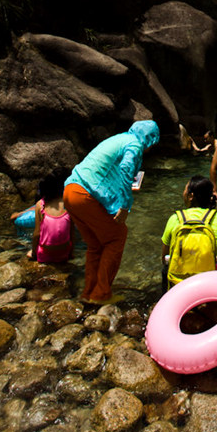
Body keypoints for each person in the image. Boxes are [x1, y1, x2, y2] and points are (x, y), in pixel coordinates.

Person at [64, 119, 160, 305]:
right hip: (84, 195)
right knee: (117, 236)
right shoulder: (135, 144)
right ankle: (101, 294)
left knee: (96, 245)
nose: (150, 149)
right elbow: (125, 168)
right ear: (149, 138)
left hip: (70, 191)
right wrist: (124, 206)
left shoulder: (119, 138)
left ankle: (88, 292)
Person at [161, 175, 217, 289]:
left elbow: (164, 257)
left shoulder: (175, 219)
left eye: (185, 190)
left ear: (190, 196)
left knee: (165, 269)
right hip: (209, 282)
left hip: (179, 283)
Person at [29, 170, 74, 264]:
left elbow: (37, 234)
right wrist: (70, 253)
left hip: (45, 255)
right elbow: (71, 232)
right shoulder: (68, 202)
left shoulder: (40, 205)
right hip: (64, 254)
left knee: (29, 253)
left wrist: (34, 253)